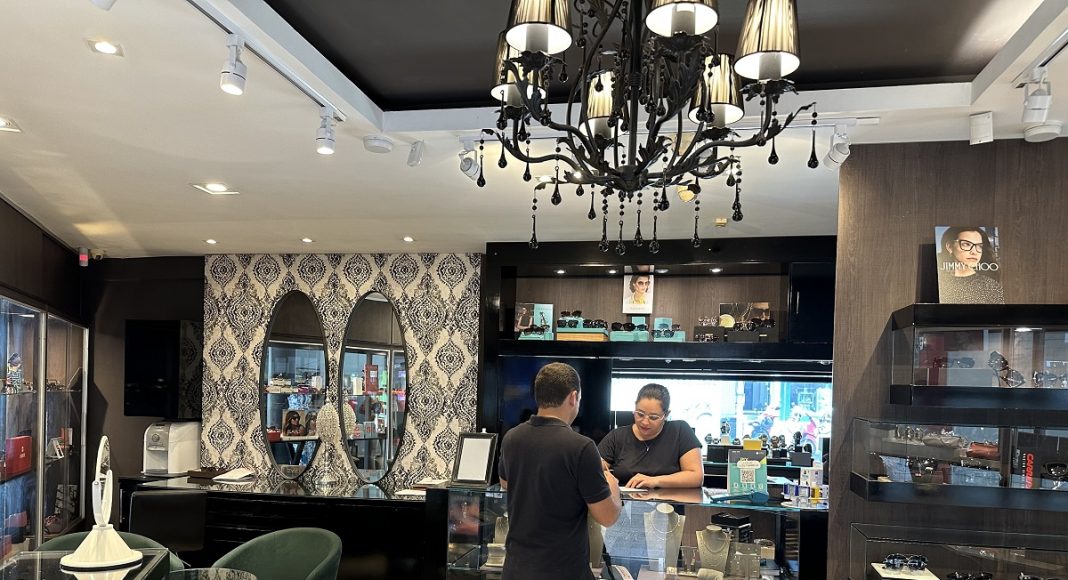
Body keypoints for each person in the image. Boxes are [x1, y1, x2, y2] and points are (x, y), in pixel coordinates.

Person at [499, 362, 621, 580]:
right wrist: (612, 484)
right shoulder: (582, 447)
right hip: (563, 571)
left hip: (515, 570)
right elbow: (607, 517)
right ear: (573, 397)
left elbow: (506, 483)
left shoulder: (511, 438)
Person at [599, 384, 704, 489]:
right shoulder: (617, 436)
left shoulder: (680, 431)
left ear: (666, 415)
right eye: (640, 414)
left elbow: (696, 476)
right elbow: (595, 467)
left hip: (669, 499)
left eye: (653, 417)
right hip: (625, 498)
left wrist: (654, 481)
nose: (645, 422)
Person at [936, 226, 1004, 303]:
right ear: (949, 247)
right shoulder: (939, 281)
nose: (974, 252)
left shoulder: (990, 286)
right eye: (966, 244)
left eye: (979, 246)